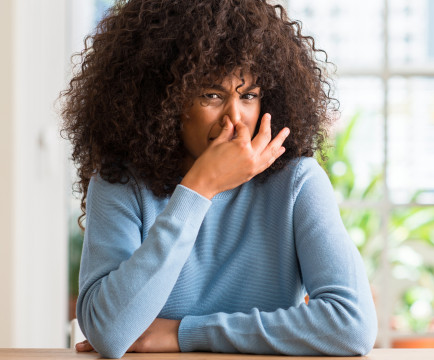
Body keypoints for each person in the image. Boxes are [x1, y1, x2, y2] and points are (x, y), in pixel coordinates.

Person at [59, 0, 377, 358]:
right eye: (211, 95)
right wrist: (199, 189)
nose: (236, 120)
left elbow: (352, 326)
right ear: (164, 99)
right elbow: (110, 333)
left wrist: (184, 333)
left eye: (249, 96)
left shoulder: (297, 182)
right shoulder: (120, 183)